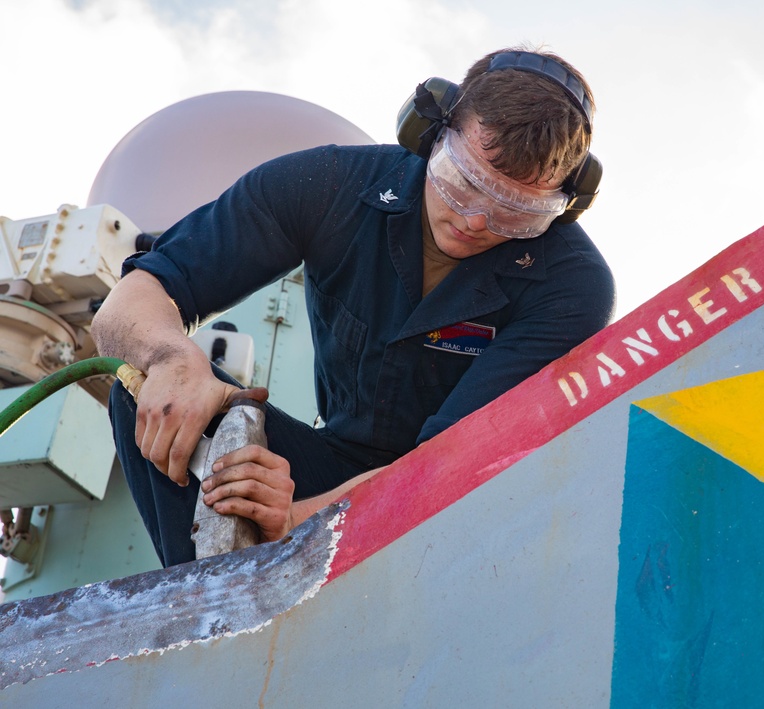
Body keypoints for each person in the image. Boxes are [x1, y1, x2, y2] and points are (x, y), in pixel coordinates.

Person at [92, 47, 616, 567]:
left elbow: (451, 466)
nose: (476, 221)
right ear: (429, 133)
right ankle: (207, 604)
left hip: (462, 507)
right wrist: (174, 363)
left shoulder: (574, 287)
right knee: (141, 382)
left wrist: (297, 523)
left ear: (563, 207)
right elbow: (130, 304)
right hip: (331, 465)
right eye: (464, 182)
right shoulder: (328, 185)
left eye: (514, 211)